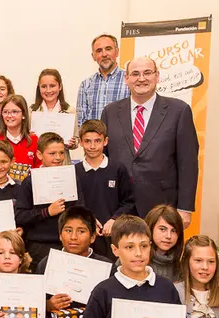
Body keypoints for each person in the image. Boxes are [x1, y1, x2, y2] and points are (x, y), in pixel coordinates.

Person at [100, 57, 199, 227]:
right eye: (135, 74)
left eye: (147, 73)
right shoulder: (110, 111)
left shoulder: (179, 111)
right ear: (126, 79)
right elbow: (104, 159)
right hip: (119, 208)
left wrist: (184, 209)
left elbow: (187, 163)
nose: (141, 78)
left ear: (157, 76)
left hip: (162, 207)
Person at [15, 132, 84, 266]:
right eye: (52, 154)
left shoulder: (72, 177)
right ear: (40, 155)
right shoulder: (30, 181)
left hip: (69, 245)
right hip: (39, 246)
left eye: (61, 153)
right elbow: (20, 216)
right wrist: (47, 212)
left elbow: (81, 209)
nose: (58, 158)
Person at [76, 119, 134, 259]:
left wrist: (114, 220)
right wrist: (89, 220)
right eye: (87, 141)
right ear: (80, 142)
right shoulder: (74, 171)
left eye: (97, 141)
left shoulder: (118, 169)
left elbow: (129, 201)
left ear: (105, 141)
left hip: (112, 237)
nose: (92, 146)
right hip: (84, 239)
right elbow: (74, 204)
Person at [76, 34, 130, 130]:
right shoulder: (86, 85)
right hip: (94, 143)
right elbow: (81, 122)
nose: (104, 54)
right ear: (93, 56)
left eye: (108, 49)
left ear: (117, 52)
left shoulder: (129, 80)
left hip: (122, 142)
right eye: (99, 51)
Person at [0, 95, 40, 167]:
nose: (9, 115)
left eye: (14, 112)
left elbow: (39, 169)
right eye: (5, 112)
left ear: (23, 114)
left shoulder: (34, 140)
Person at [145, 205, 184, 282]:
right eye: (162, 229)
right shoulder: (134, 260)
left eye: (174, 231)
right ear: (150, 229)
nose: (168, 236)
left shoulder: (180, 268)